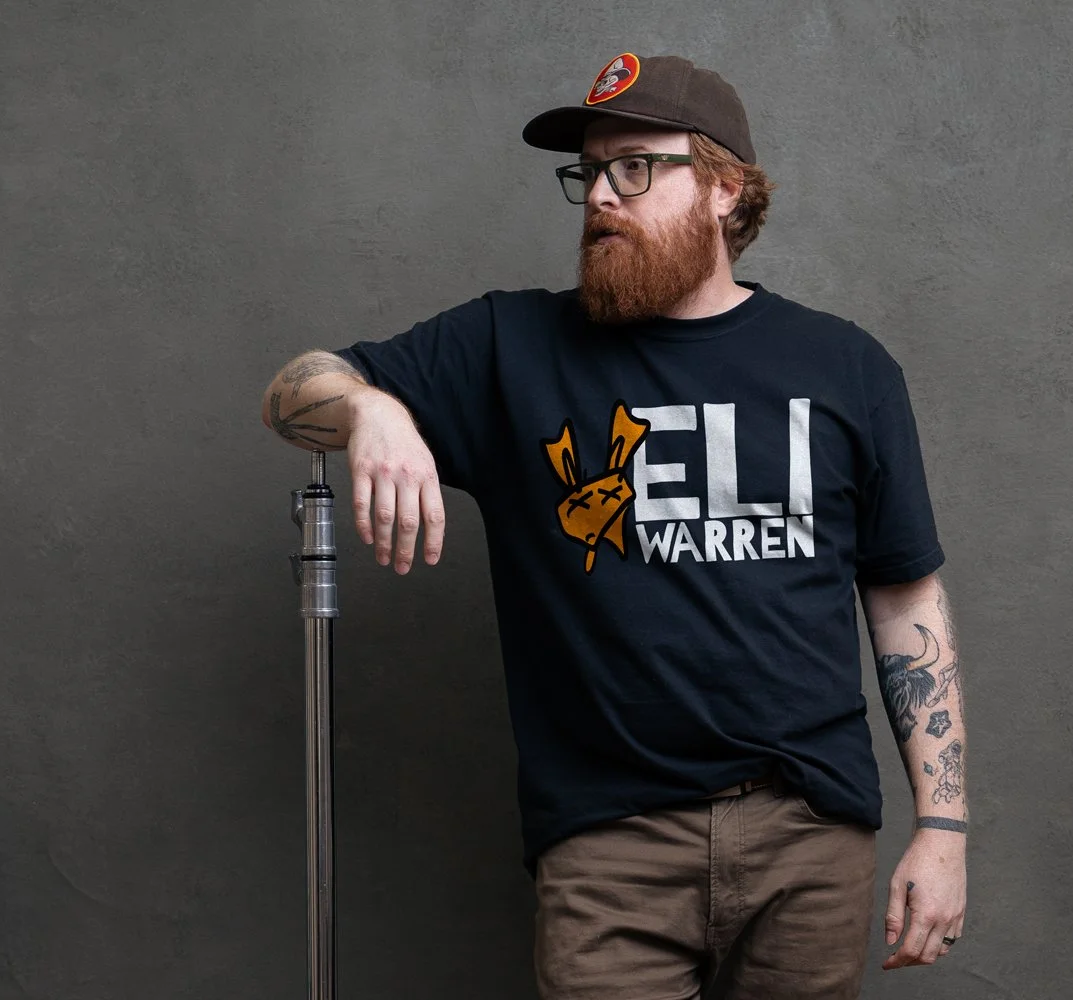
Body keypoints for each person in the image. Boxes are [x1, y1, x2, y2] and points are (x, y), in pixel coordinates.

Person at [257, 53, 969, 998]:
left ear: (725, 188)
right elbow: (291, 390)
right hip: (608, 846)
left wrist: (945, 828)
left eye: (636, 167)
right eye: (589, 172)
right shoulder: (510, 347)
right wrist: (371, 410)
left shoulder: (846, 368)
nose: (600, 195)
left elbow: (903, 592)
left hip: (809, 837)